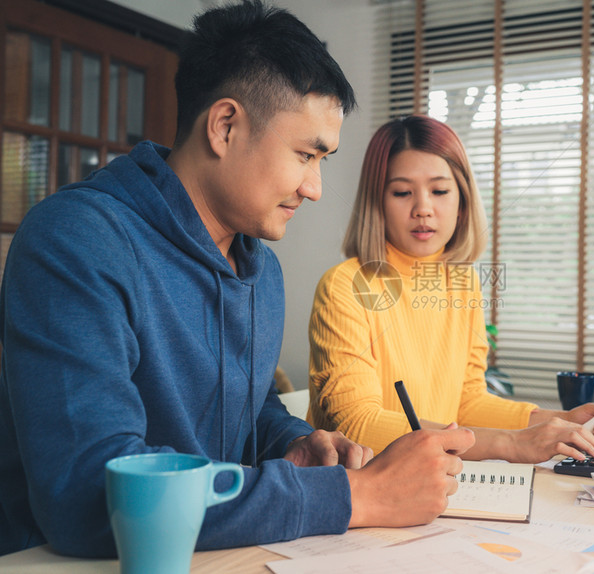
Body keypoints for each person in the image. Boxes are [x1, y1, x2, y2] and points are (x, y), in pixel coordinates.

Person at [0, 1, 474, 558]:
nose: (315, 187)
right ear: (225, 126)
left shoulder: (258, 267)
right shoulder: (77, 241)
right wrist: (356, 497)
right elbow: (89, 495)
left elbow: (243, 411)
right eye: (305, 154)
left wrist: (293, 441)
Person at [307, 115, 594, 462]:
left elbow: (468, 401)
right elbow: (356, 424)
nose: (423, 209)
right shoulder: (344, 286)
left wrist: (558, 420)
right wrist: (512, 444)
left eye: (440, 191)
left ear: (462, 202)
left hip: (435, 479)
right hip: (363, 483)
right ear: (377, 204)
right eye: (402, 192)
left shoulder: (462, 282)